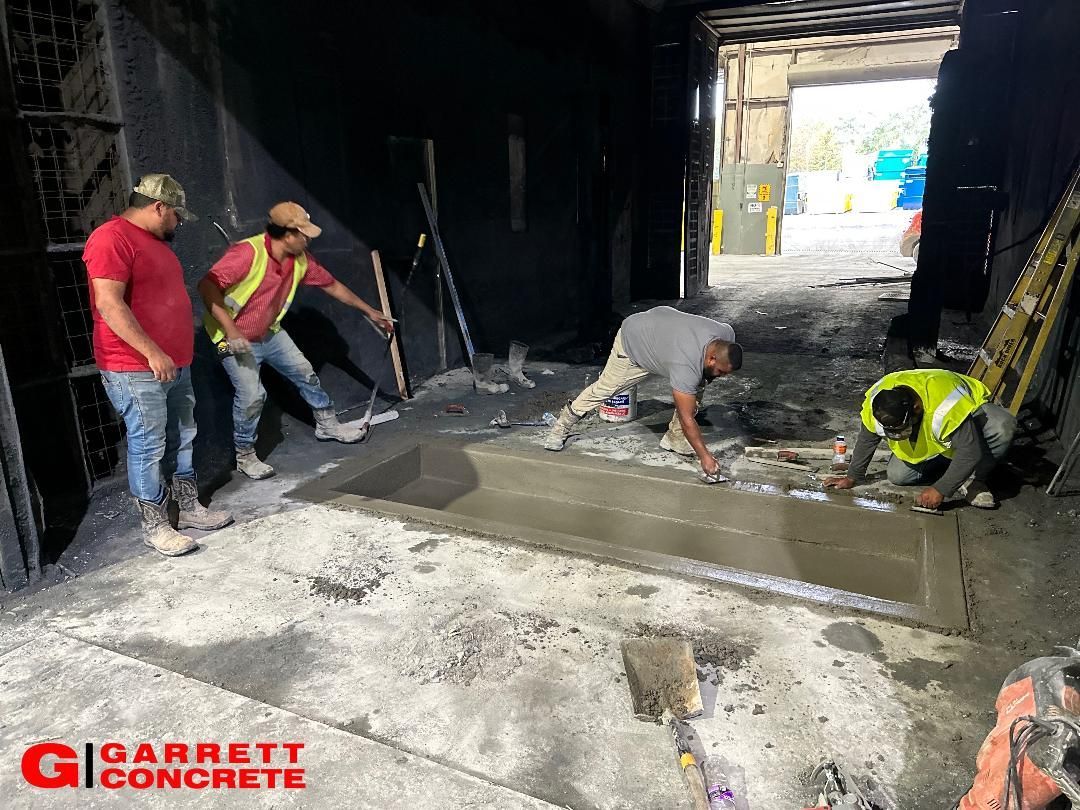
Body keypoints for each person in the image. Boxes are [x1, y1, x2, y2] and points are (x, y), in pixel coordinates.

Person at [83, 174, 232, 557]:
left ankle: (189, 507)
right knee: (148, 444)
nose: (179, 222)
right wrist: (152, 352)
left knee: (183, 434)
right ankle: (155, 525)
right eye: (176, 215)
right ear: (158, 207)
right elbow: (109, 304)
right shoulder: (110, 238)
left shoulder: (154, 244)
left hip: (172, 363)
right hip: (135, 366)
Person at [198, 202, 395, 480]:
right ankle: (245, 455)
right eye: (304, 234)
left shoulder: (300, 259)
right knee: (253, 396)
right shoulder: (247, 253)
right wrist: (231, 330)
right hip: (233, 338)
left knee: (305, 373)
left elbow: (332, 285)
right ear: (287, 234)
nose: (308, 239)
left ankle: (327, 425)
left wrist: (370, 311)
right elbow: (206, 286)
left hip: (270, 332)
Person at [544, 305, 742, 479]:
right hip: (634, 342)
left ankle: (674, 438)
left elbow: (704, 375)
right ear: (713, 358)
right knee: (604, 389)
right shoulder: (685, 364)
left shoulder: (726, 334)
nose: (722, 376)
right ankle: (561, 427)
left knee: (698, 383)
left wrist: (710, 374)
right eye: (721, 371)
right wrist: (705, 457)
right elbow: (686, 416)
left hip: (660, 332)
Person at [823, 368, 1016, 509]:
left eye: (901, 428)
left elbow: (970, 451)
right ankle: (954, 469)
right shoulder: (880, 399)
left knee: (1002, 426)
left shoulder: (946, 405)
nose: (897, 435)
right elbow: (868, 437)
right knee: (898, 476)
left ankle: (974, 479)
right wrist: (853, 476)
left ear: (916, 408)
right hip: (939, 438)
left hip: (970, 415)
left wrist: (941, 488)